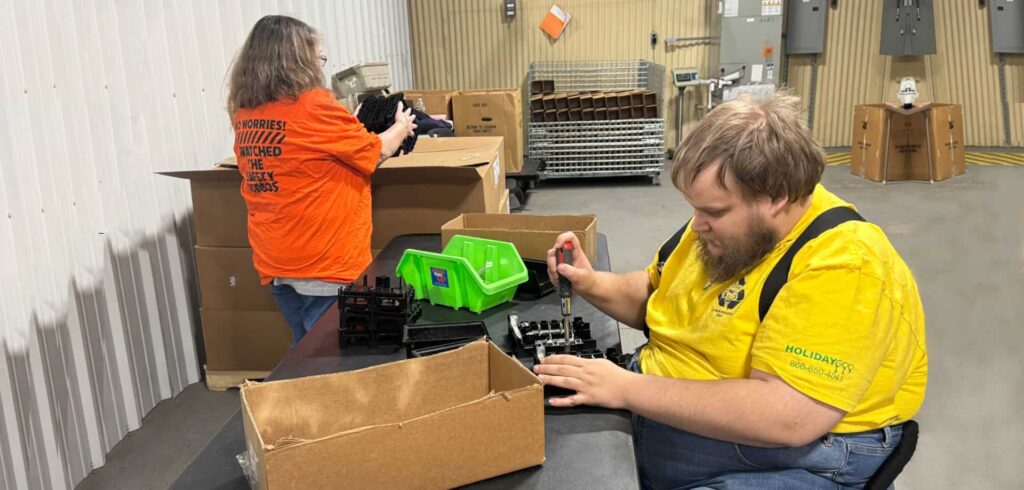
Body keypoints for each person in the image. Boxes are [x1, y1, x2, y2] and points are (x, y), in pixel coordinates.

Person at [536, 93, 928, 489]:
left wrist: (626, 389)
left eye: (714, 212)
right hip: (660, 414)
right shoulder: (730, 230)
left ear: (778, 196)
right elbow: (662, 295)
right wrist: (591, 281)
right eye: (695, 208)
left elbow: (788, 417)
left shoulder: (845, 264)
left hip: (786, 458)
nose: (697, 225)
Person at [226, 15, 415, 343]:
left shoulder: (247, 114)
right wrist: (402, 125)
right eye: (319, 58)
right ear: (299, 61)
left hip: (277, 264)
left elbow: (302, 159)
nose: (320, 66)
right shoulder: (313, 106)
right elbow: (377, 151)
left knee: (304, 355)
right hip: (325, 266)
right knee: (329, 363)